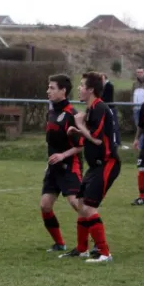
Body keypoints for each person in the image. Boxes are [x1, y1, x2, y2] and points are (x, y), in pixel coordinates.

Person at [61, 71, 120, 263]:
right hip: (94, 166)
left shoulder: (100, 108)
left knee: (88, 208)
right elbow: (89, 137)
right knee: (80, 204)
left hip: (107, 163)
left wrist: (79, 124)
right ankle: (82, 249)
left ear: (91, 90)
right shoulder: (92, 109)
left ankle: (104, 253)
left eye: (82, 85)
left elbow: (96, 139)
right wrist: (77, 131)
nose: (78, 88)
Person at [40, 74, 84, 252]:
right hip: (53, 168)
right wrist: (51, 160)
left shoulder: (71, 115)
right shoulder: (52, 112)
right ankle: (59, 243)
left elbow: (80, 146)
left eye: (52, 88)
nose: (48, 91)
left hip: (70, 166)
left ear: (63, 91)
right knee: (45, 205)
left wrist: (62, 156)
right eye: (48, 87)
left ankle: (96, 242)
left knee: (77, 204)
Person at [132, 68, 144, 148]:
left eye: (141, 72)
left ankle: (142, 145)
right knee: (138, 128)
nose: (139, 73)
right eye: (137, 72)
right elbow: (132, 94)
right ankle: (140, 145)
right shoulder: (134, 83)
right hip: (136, 109)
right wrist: (132, 105)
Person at [101, 73, 120, 147]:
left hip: (110, 108)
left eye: (102, 79)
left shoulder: (109, 86)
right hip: (106, 107)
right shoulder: (103, 86)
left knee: (114, 125)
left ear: (105, 78)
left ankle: (116, 142)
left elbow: (106, 98)